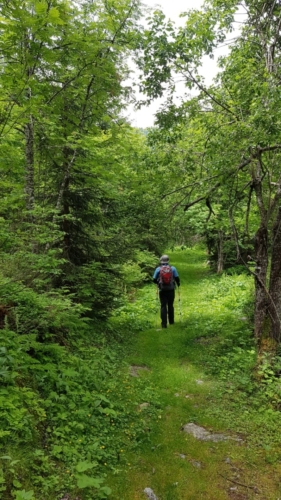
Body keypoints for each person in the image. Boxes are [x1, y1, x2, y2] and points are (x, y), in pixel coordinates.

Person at [153, 254, 180, 328]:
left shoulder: (158, 269)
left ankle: (164, 324)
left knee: (163, 306)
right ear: (168, 261)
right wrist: (178, 284)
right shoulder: (173, 268)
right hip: (171, 289)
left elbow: (154, 279)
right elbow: (177, 278)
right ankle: (171, 322)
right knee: (170, 305)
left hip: (162, 290)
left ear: (161, 261)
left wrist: (158, 284)